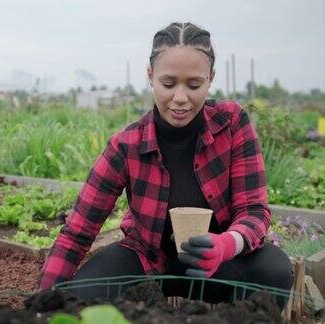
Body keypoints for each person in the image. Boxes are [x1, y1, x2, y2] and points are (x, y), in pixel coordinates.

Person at [37, 22, 293, 309]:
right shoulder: (127, 145)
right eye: (168, 84)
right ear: (150, 76)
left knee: (273, 271)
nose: (180, 98)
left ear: (210, 78)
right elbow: (77, 234)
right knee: (82, 296)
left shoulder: (232, 124)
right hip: (147, 261)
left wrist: (225, 244)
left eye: (194, 85)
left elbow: (254, 210)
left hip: (216, 264)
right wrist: (42, 302)